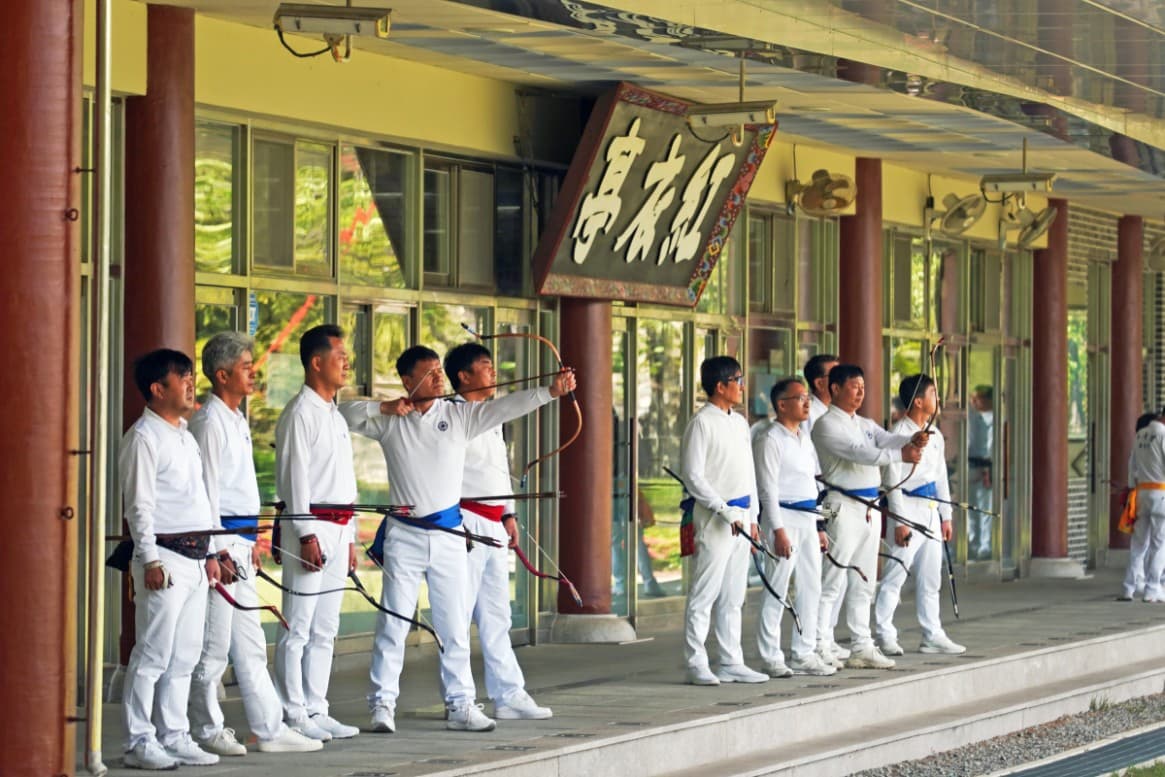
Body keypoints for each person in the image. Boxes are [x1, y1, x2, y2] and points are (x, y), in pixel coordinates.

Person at [340, 345, 576, 734]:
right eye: (428, 372)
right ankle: (382, 704)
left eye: (438, 371)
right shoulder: (390, 421)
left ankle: (461, 704)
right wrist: (382, 407)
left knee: (453, 626)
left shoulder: (460, 416)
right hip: (405, 535)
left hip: (450, 535)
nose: (437, 377)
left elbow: (505, 407)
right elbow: (341, 413)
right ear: (406, 380)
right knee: (394, 621)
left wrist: (549, 392)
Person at [189, 332, 322, 756]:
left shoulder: (235, 418)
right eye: (246, 367)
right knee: (213, 645)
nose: (254, 373)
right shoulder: (209, 421)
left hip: (240, 544)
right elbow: (207, 491)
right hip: (222, 544)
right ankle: (205, 728)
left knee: (249, 643)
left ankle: (268, 727)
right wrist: (216, 550)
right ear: (222, 374)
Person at [120, 349, 220, 769]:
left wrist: (213, 553)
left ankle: (174, 734)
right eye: (183, 378)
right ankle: (139, 740)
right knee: (154, 653)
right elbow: (138, 506)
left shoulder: (184, 433)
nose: (190, 384)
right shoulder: (143, 436)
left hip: (196, 558)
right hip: (163, 557)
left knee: (185, 654)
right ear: (158, 389)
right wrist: (148, 561)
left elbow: (201, 499)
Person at [444, 342, 553, 720]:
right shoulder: (453, 417)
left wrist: (510, 514)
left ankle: (509, 695)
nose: (493, 372)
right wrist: (549, 392)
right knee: (457, 615)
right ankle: (458, 699)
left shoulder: (490, 419)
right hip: (465, 523)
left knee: (497, 614)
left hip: (493, 521)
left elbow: (499, 471)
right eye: (486, 366)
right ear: (463, 376)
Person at [273, 324, 361, 742]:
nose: (346, 362)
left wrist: (354, 536)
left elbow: (347, 482)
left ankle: (316, 706)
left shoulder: (333, 413)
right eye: (338, 355)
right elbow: (295, 482)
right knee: (299, 625)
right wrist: (306, 534)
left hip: (340, 530)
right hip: (311, 530)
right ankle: (293, 712)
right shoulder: (299, 412)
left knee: (326, 627)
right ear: (315, 362)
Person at [811, 364, 925, 670]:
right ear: (835, 389)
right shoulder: (825, 425)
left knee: (864, 580)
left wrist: (912, 439)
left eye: (863, 386)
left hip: (868, 507)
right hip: (838, 504)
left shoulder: (864, 423)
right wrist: (902, 453)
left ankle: (861, 644)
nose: (860, 392)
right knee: (831, 579)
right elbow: (860, 452)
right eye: (854, 386)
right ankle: (819, 643)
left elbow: (886, 440)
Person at [680, 356, 768, 686]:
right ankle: (696, 661)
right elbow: (693, 475)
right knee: (705, 593)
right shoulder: (702, 422)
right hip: (715, 517)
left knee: (734, 595)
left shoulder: (740, 422)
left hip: (742, 516)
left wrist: (754, 517)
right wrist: (721, 508)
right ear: (721, 386)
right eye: (738, 379)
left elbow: (748, 474)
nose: (743, 385)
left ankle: (731, 661)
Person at [874, 374, 966, 656]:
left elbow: (941, 478)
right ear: (917, 401)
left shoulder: (934, 434)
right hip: (907, 509)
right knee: (896, 574)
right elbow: (892, 482)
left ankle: (932, 633)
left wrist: (945, 514)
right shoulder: (899, 435)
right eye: (933, 394)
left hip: (930, 511)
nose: (937, 399)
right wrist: (900, 522)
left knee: (930, 577)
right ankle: (884, 633)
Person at [753, 377, 835, 677]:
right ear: (781, 404)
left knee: (811, 587)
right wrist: (777, 531)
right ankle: (771, 656)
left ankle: (804, 652)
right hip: (783, 520)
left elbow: (814, 484)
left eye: (807, 398)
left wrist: (820, 526)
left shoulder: (803, 438)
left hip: (807, 518)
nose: (806, 402)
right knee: (777, 588)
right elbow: (767, 491)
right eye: (799, 397)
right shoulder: (769, 439)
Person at [802, 353, 850, 663]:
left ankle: (827, 635)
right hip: (821, 501)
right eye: (836, 375)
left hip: (837, 498)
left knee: (839, 568)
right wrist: (819, 522)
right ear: (821, 383)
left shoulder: (837, 414)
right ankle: (817, 639)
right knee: (828, 565)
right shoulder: (812, 416)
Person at [1119, 412, 1161, 601]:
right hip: (1161, 493)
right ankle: (1152, 589)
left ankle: (1130, 587)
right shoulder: (1163, 435)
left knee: (1138, 544)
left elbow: (1131, 466)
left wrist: (1131, 489)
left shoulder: (1140, 435)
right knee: (1159, 544)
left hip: (1141, 492)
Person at [967, 385, 995, 560]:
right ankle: (973, 542)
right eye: (973, 398)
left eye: (979, 398)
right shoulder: (974, 418)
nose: (975, 402)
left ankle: (986, 544)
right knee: (971, 508)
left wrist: (989, 467)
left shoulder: (994, 419)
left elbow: (992, 447)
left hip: (987, 465)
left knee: (986, 507)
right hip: (971, 464)